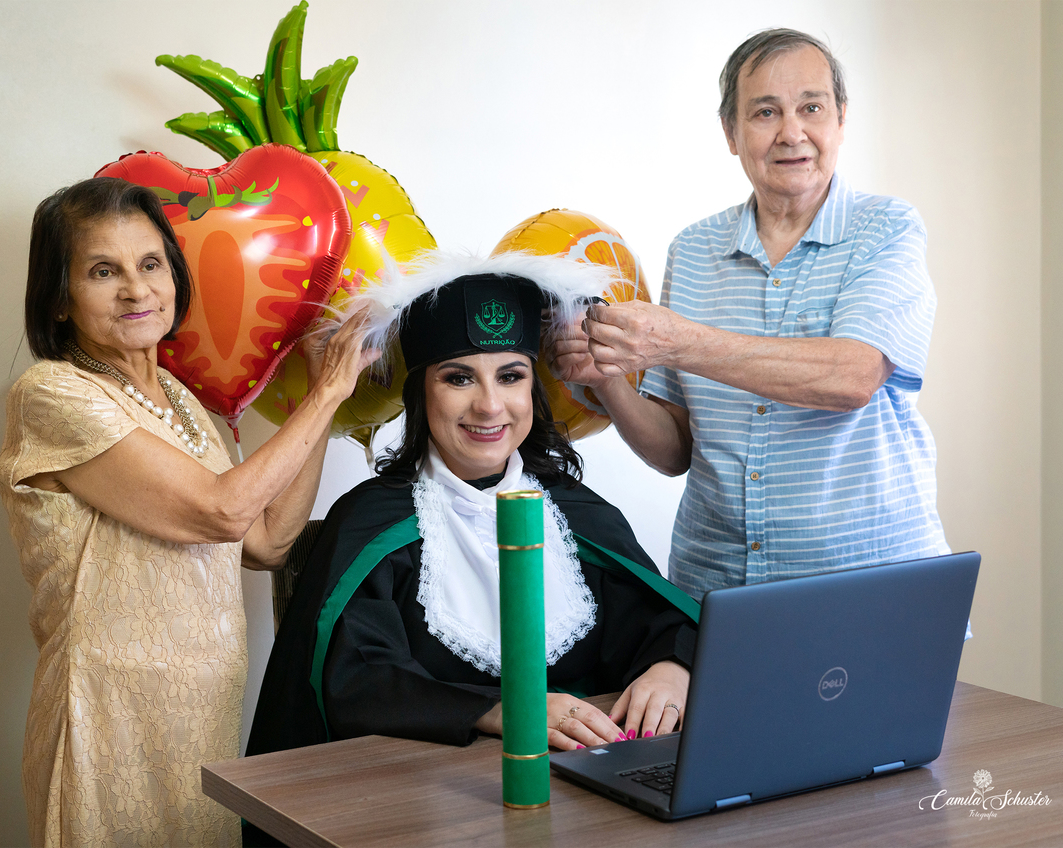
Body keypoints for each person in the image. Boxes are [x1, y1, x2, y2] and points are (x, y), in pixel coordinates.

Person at [0, 177, 377, 847]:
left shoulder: (179, 400)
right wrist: (329, 395)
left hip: (202, 716)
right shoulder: (52, 392)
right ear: (59, 298)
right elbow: (223, 512)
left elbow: (266, 541)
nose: (136, 290)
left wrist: (319, 394)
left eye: (150, 264)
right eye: (103, 271)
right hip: (107, 716)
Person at [245, 252, 698, 781]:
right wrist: (497, 711)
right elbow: (356, 679)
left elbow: (661, 622)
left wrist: (671, 668)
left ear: (533, 391)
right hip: (428, 791)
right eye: (459, 378)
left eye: (510, 376)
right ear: (421, 394)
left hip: (589, 778)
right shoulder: (370, 521)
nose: (489, 406)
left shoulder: (577, 513)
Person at [552, 28, 949, 598]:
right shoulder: (693, 250)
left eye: (811, 107)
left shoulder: (887, 228)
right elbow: (675, 450)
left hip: (872, 583)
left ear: (841, 119)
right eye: (765, 112)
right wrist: (609, 380)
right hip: (715, 587)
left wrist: (679, 341)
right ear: (731, 133)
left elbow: (853, 377)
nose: (792, 132)